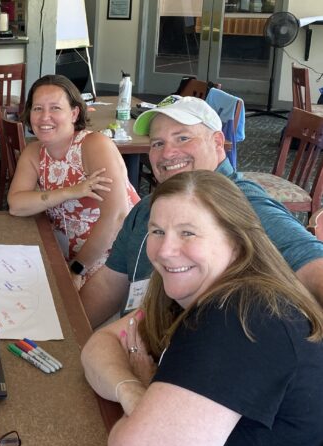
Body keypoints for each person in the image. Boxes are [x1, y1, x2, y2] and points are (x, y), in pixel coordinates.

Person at [83, 170, 323, 446]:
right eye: (157, 231)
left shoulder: (242, 315)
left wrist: (147, 400)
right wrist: (134, 392)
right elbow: (102, 343)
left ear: (236, 242)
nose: (166, 250)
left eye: (188, 233)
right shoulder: (187, 291)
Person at [80, 95, 323, 329]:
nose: (167, 153)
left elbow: (313, 266)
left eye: (183, 138)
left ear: (217, 142)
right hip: (133, 337)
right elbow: (109, 284)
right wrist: (68, 332)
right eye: (158, 143)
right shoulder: (150, 206)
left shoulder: (241, 203)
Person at [7, 75, 139, 289]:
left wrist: (77, 268)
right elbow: (16, 205)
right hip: (63, 254)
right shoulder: (34, 152)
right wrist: (70, 192)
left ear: (74, 113)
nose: (44, 117)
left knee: (69, 318)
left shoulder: (94, 145)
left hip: (113, 259)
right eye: (38, 108)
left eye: (55, 108)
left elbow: (116, 217)